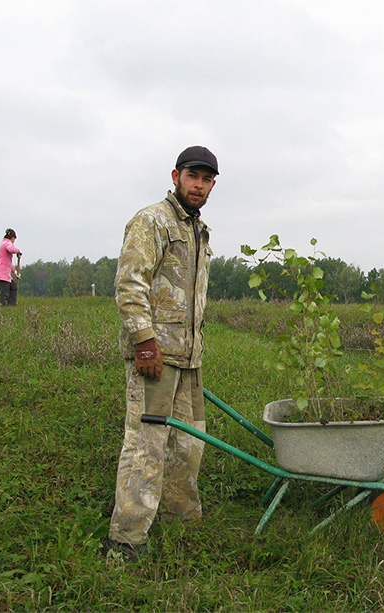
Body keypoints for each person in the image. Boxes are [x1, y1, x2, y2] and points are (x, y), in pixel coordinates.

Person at [106, 146, 219, 561]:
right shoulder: (151, 220)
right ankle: (126, 539)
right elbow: (130, 283)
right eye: (193, 176)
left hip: (189, 359)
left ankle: (179, 521)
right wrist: (144, 343)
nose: (199, 185)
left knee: (188, 444)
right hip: (155, 356)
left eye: (207, 179)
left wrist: (193, 350)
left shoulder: (199, 230)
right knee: (146, 446)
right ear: (176, 176)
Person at [0, 228, 22, 306]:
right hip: (2, 274)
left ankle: (11, 306)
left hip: (5, 273)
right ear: (12, 238)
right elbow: (11, 249)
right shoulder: (7, 243)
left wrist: (14, 271)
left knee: (13, 287)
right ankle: (2, 308)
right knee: (4, 293)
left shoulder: (3, 244)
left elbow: (6, 263)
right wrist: (18, 251)